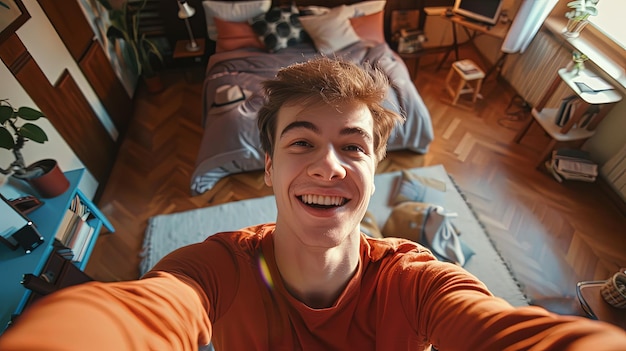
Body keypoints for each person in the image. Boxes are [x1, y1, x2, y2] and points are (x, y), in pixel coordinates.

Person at [1, 57, 625, 351]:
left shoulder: (414, 281)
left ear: (375, 168)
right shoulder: (213, 269)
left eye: (353, 147)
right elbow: (135, 318)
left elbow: (502, 331)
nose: (329, 164)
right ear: (269, 167)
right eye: (303, 142)